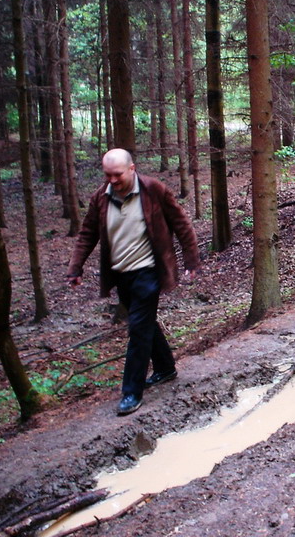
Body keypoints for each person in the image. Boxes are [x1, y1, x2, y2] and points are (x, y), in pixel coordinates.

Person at [66, 149, 200, 416]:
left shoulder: (153, 190)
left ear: (131, 169)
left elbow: (181, 223)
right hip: (120, 274)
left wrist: (191, 261)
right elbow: (88, 233)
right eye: (108, 175)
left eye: (117, 174)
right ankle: (165, 368)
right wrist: (75, 267)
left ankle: (131, 391)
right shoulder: (100, 198)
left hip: (149, 271)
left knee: (138, 328)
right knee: (144, 323)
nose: (112, 180)